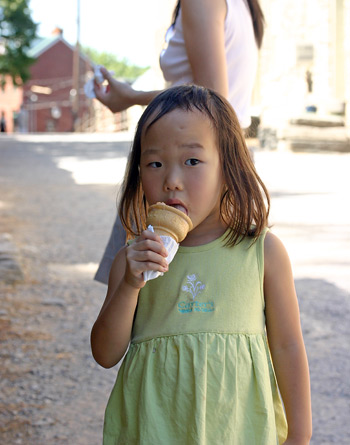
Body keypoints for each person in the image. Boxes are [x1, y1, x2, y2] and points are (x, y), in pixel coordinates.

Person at [91, 85, 312, 444]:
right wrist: (131, 284)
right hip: (154, 430)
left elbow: (287, 345)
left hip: (239, 431)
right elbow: (104, 353)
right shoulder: (132, 259)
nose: (171, 181)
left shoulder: (263, 253)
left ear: (228, 168)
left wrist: (299, 434)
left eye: (192, 161)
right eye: (154, 164)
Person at [94, 0, 264, 284]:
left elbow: (211, 101)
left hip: (191, 161)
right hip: (208, 160)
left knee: (160, 294)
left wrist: (131, 97)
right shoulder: (244, 5)